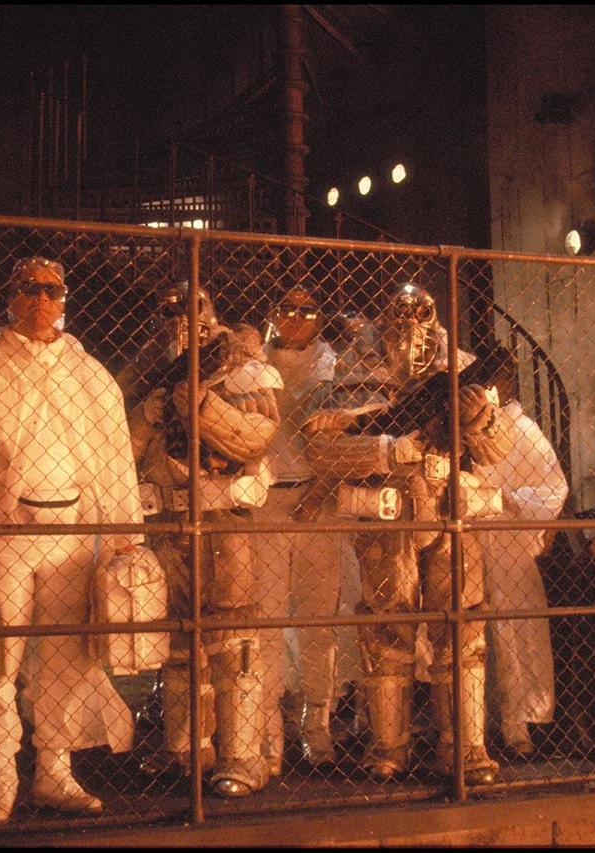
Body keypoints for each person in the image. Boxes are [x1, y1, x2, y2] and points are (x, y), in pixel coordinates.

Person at [0, 256, 144, 824]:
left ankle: (54, 771)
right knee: (0, 659)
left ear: (64, 299)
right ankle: (0, 775)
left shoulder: (85, 371)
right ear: (11, 297)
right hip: (6, 527)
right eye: (29, 289)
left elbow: (114, 453)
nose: (42, 299)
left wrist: (124, 533)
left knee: (65, 657)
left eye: (53, 290)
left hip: (71, 532)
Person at [301, 282, 517, 785]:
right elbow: (320, 450)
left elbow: (498, 449)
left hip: (449, 513)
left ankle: (466, 746)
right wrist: (384, 449)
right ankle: (388, 745)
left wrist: (480, 419)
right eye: (400, 315)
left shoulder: (463, 373)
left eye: (422, 313)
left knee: (462, 626)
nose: (412, 326)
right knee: (385, 629)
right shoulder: (350, 374)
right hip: (387, 516)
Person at [123, 280, 283, 798]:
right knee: (177, 642)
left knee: (233, 638)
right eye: (169, 310)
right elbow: (112, 448)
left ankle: (242, 755)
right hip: (164, 522)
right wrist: (147, 415)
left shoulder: (239, 365)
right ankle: (187, 747)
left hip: (222, 519)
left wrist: (204, 406)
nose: (181, 318)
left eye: (191, 308)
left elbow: (258, 436)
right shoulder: (145, 369)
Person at [254, 284, 349, 770]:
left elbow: (352, 434)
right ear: (273, 314)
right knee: (265, 620)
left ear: (320, 317)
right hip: (266, 499)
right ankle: (267, 730)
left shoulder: (336, 364)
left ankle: (317, 723)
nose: (296, 317)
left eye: (307, 310)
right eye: (287, 308)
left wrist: (322, 487)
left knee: (318, 620)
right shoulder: (253, 361)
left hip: (319, 496)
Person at [474, 346, 569, 760]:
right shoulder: (467, 427)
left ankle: (517, 725)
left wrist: (508, 499)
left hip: (510, 540)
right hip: (472, 538)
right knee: (471, 632)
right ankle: (473, 726)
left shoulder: (524, 431)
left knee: (514, 632)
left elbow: (554, 489)